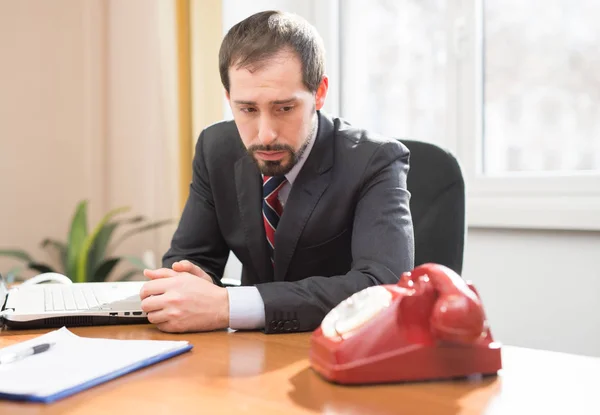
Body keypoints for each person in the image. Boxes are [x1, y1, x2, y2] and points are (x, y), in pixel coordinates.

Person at [140, 10, 414, 334]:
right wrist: (189, 283)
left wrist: (229, 306)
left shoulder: (375, 160)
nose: (265, 134)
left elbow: (382, 287)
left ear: (320, 93)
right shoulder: (216, 148)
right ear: (228, 98)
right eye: (247, 109)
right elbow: (188, 260)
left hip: (340, 352)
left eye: (284, 108)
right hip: (247, 358)